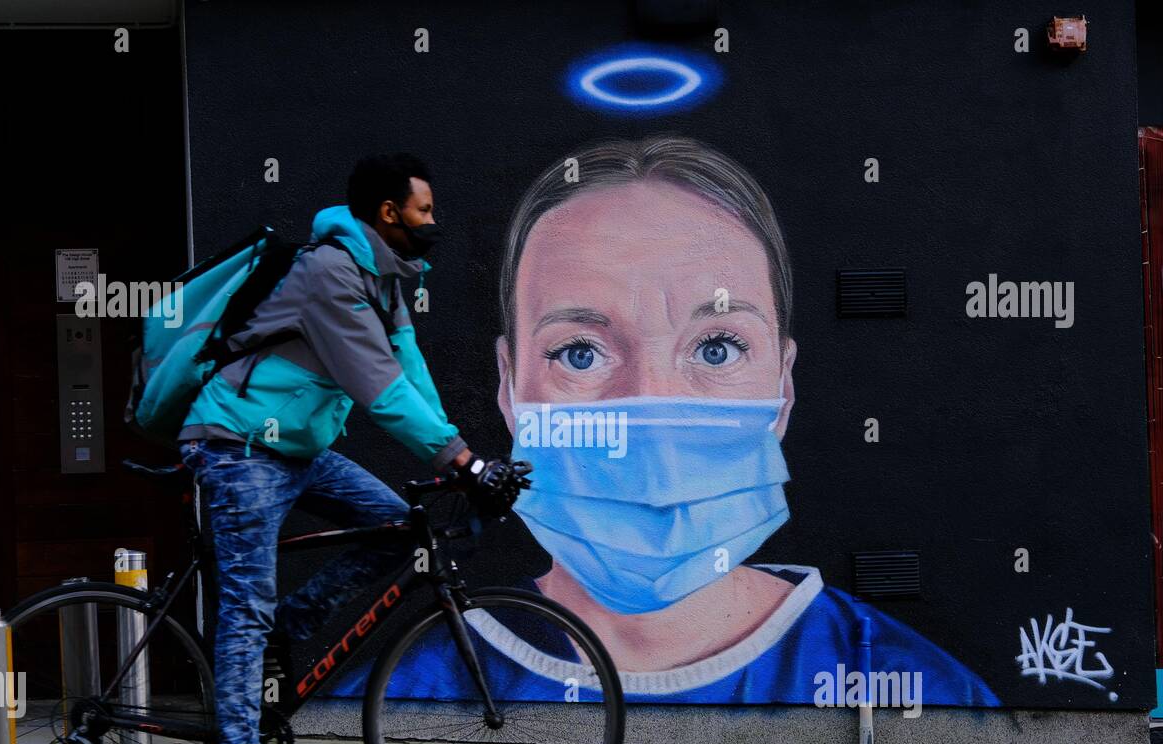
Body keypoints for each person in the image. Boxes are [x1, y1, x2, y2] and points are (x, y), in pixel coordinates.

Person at [328, 136, 998, 707]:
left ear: (784, 387)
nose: (648, 407)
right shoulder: (406, 688)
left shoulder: (916, 686)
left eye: (717, 347)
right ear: (508, 388)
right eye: (580, 354)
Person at [178, 153, 516, 744]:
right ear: (388, 215)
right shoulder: (332, 273)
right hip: (239, 445)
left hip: (297, 448)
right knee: (245, 602)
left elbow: (409, 370)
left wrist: (459, 456)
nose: (433, 223)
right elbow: (380, 392)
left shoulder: (385, 278)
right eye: (424, 211)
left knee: (397, 527)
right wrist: (465, 463)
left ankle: (288, 628)